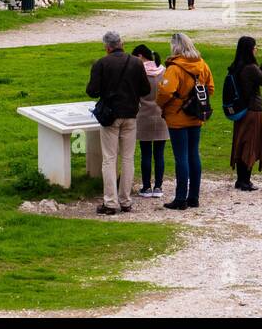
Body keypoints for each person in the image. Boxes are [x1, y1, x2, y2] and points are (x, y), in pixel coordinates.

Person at [85, 31, 151, 214]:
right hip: (130, 114)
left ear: (107, 47)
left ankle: (111, 202)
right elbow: (145, 89)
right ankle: (125, 200)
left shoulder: (101, 63)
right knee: (128, 158)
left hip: (110, 116)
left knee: (109, 159)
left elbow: (92, 91)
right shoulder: (136, 63)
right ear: (122, 43)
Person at [157, 33, 213, 210]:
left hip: (177, 117)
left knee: (181, 157)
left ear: (175, 47)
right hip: (196, 115)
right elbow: (210, 88)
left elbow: (166, 92)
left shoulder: (174, 67)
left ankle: (180, 198)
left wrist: (163, 104)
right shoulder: (202, 64)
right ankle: (194, 197)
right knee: (194, 154)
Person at [227, 38, 262, 191]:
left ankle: (240, 179)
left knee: (241, 143)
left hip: (240, 110)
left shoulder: (237, 67)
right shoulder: (251, 68)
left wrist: (261, 68)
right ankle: (245, 181)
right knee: (250, 145)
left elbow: (254, 77)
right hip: (252, 111)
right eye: (254, 48)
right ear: (249, 49)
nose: (256, 50)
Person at [130, 45, 168, 197]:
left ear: (140, 56)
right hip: (161, 115)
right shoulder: (164, 71)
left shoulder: (138, 73)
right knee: (159, 154)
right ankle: (158, 187)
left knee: (145, 153)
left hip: (143, 115)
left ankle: (146, 187)